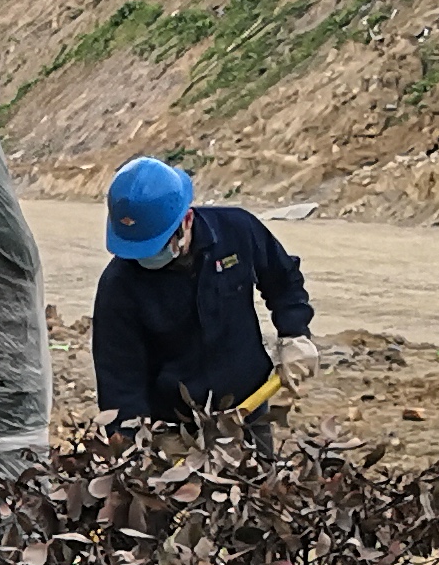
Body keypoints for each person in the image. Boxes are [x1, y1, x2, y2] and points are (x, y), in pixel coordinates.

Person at [89, 155, 318, 428]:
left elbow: (283, 279)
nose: (146, 259)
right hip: (173, 426)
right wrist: (132, 439)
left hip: (248, 408)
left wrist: (294, 334)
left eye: (157, 248)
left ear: (186, 220)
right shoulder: (118, 287)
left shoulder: (237, 231)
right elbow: (119, 380)